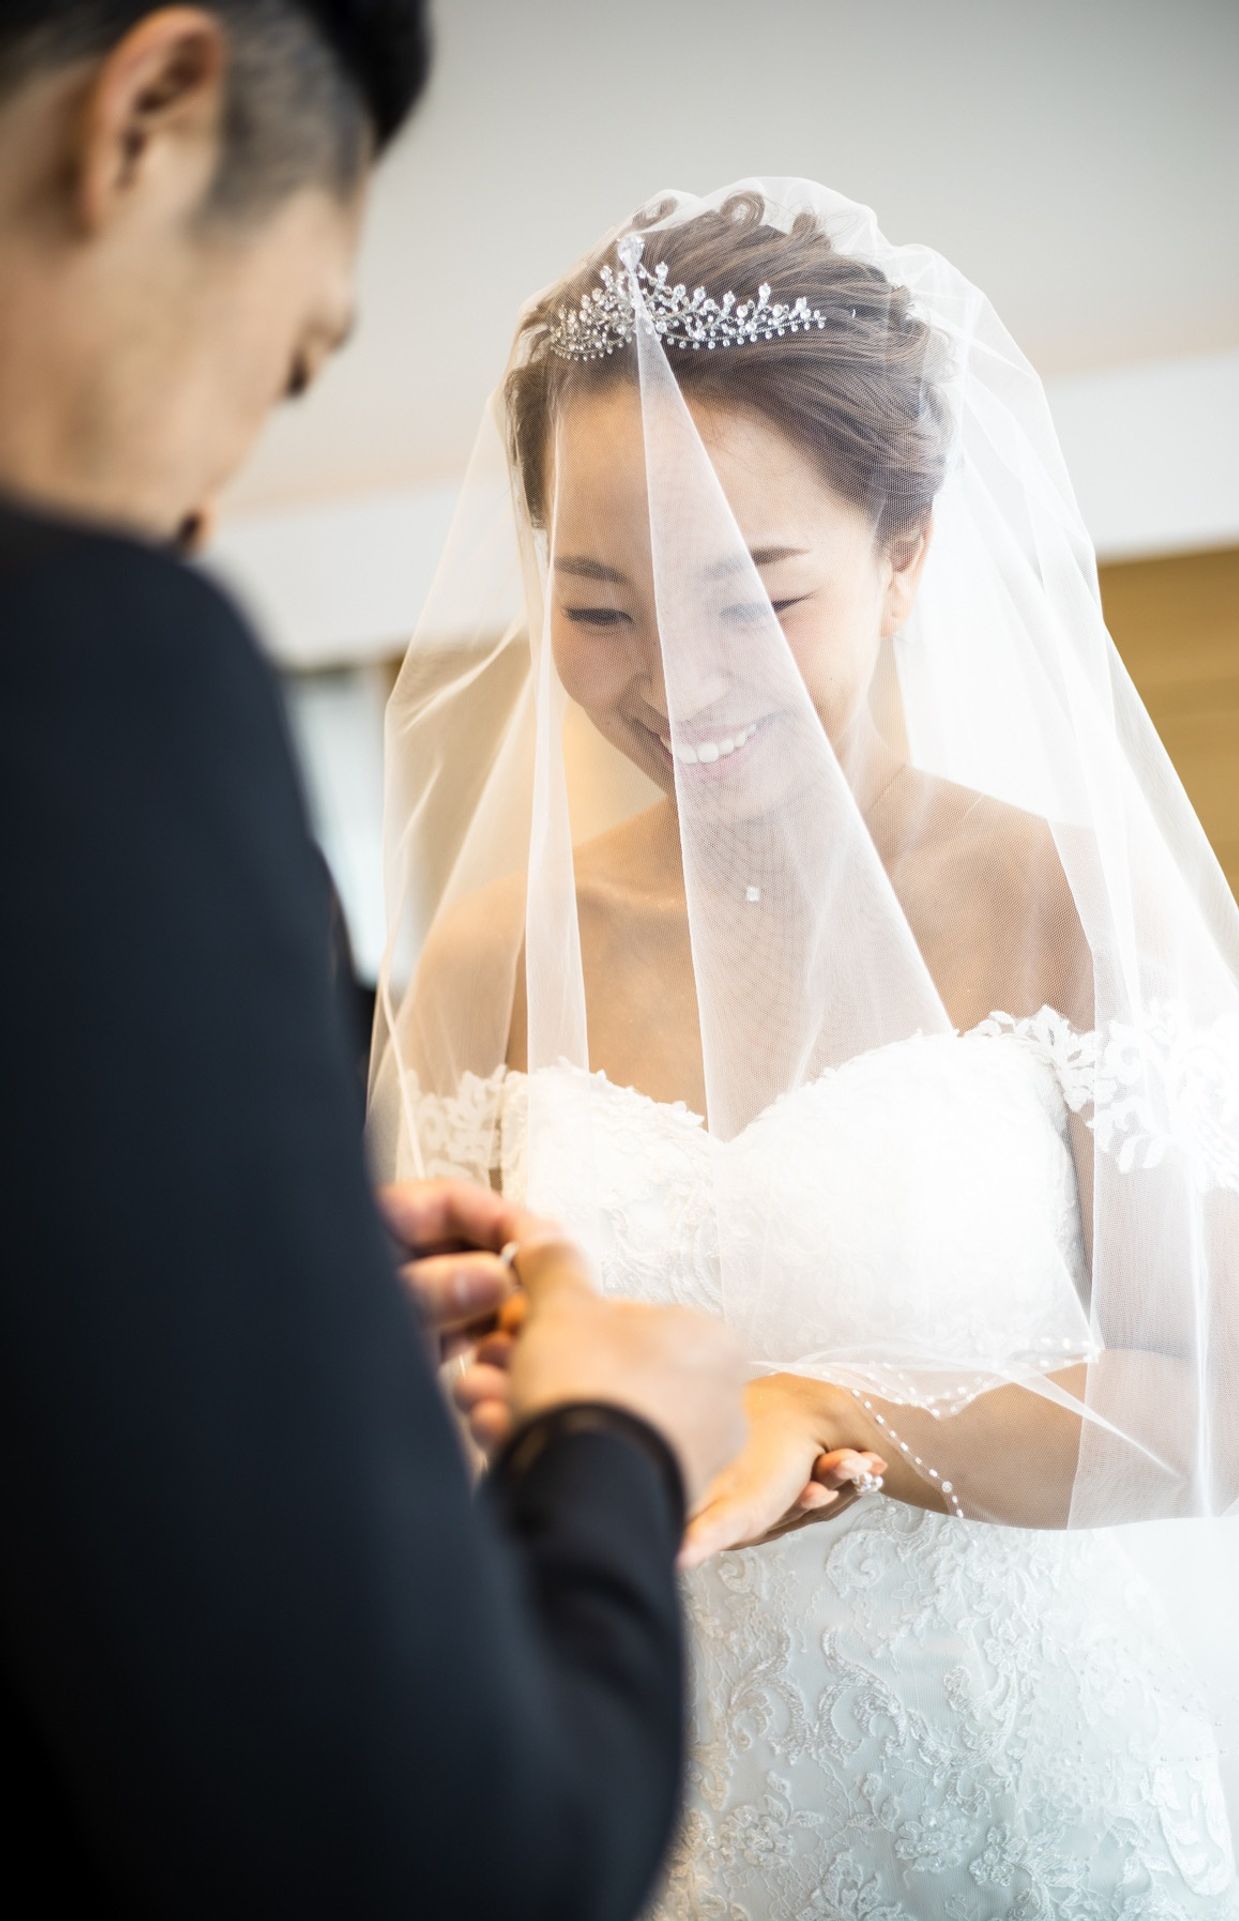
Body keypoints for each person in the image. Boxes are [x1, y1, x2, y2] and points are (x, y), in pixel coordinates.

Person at [371, 181, 1239, 1917]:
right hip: (676, 1822)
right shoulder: (491, 960)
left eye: (754, 599)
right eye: (600, 607)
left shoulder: (1071, 908)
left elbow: (1227, 1402)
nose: (675, 683)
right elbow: (431, 1402)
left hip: (1039, 1821)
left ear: (906, 555)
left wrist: (836, 1411)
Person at [0, 9, 747, 1916]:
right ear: (149, 112)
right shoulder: (83, 676)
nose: (208, 499)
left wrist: (274, 1311)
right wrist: (616, 1440)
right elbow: (440, 1857)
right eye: (290, 360)